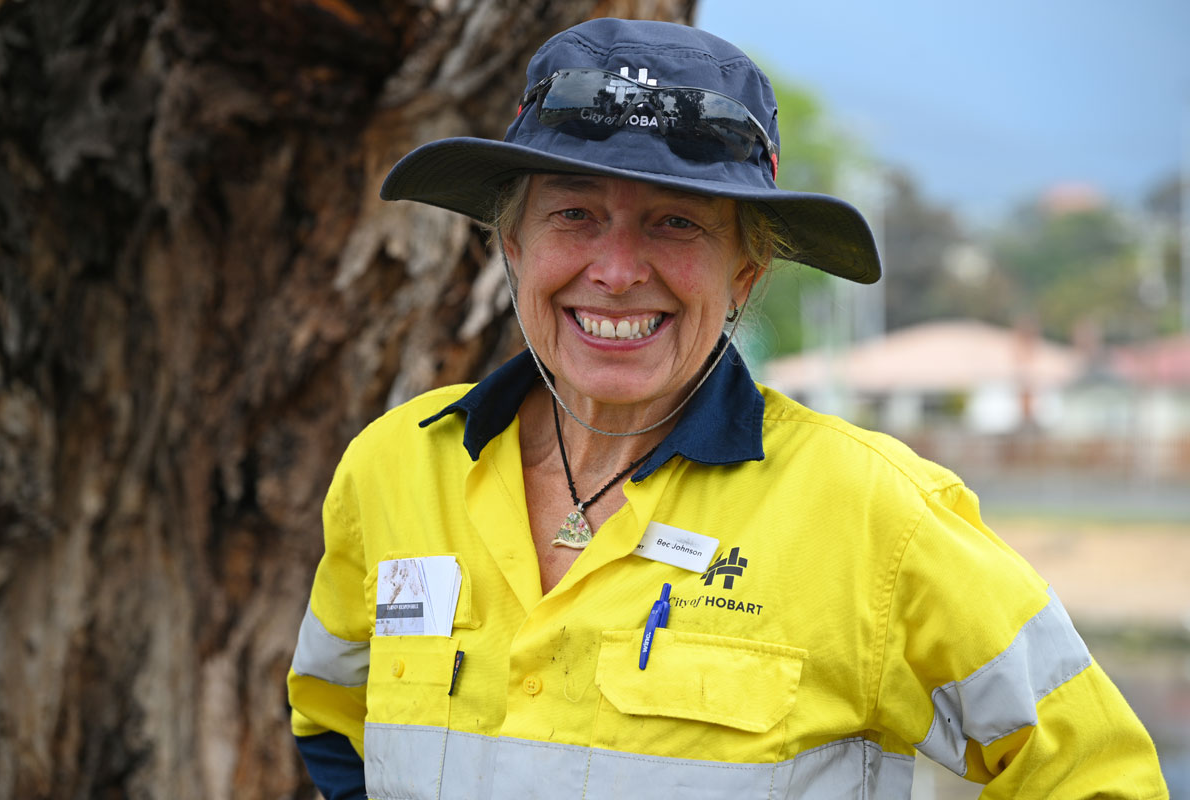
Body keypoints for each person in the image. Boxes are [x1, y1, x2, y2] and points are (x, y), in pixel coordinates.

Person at [286, 17, 1168, 800]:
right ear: (512, 244)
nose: (617, 270)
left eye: (676, 222)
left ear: (746, 270)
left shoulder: (875, 514)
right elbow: (333, 721)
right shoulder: (395, 465)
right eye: (575, 214)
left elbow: (1097, 777)